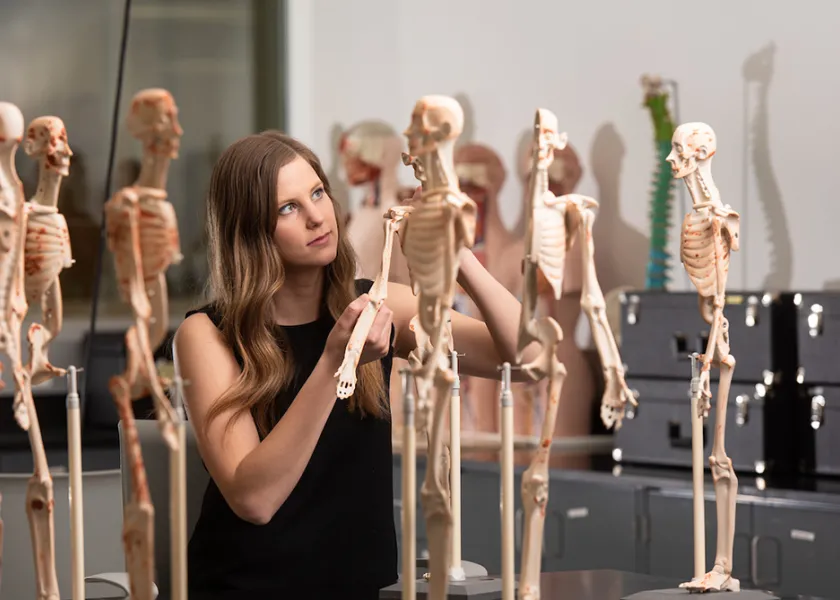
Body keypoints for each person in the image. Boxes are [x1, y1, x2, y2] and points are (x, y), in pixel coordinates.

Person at [173, 130, 535, 599]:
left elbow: (527, 359)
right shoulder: (207, 335)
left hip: (367, 589)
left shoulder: (377, 303)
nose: (317, 216)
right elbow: (254, 500)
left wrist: (459, 254)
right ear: (250, 231)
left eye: (318, 193)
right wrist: (335, 363)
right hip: (247, 587)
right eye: (288, 208)